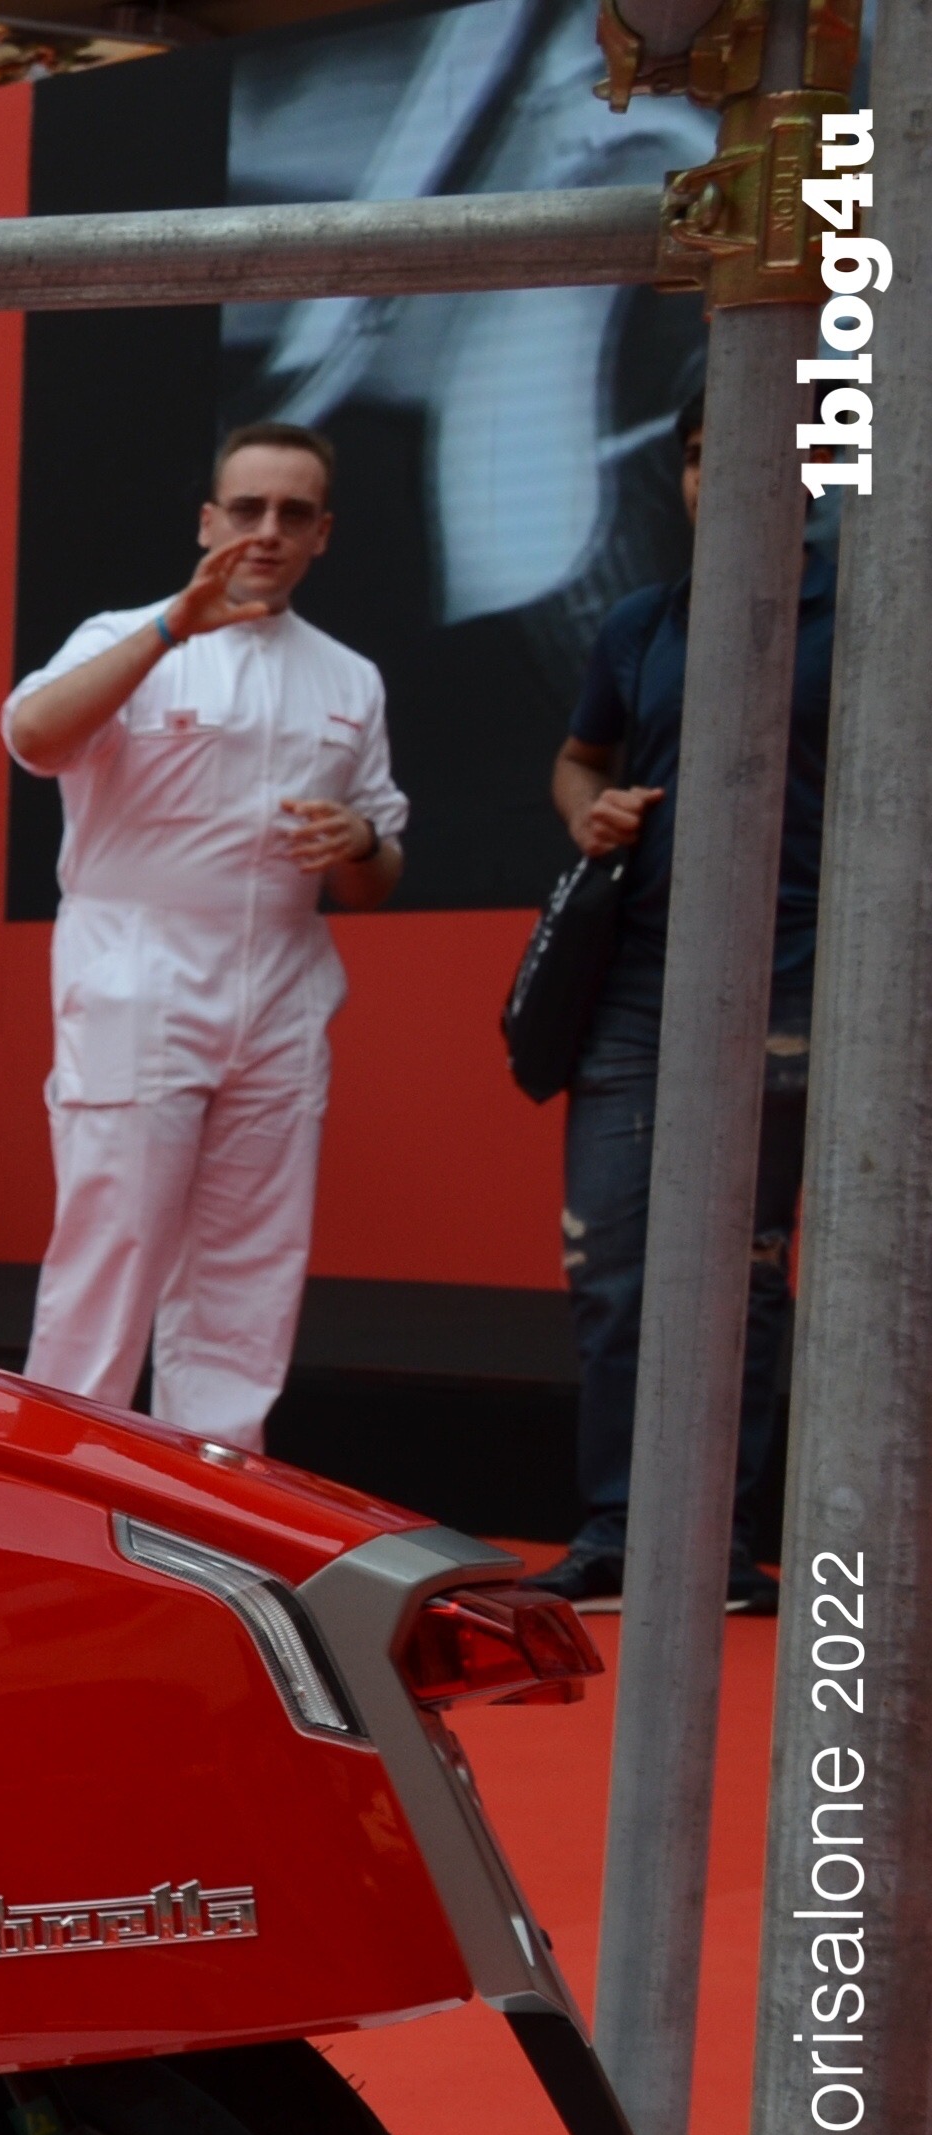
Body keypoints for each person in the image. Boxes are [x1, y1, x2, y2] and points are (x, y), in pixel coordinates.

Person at [0, 420, 408, 1451]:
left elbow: (375, 874)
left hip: (282, 986)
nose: (266, 531)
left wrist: (359, 839)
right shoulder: (124, 637)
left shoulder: (348, 677)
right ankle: (61, 1477)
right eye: (247, 508)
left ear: (322, 534)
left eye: (291, 513)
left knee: (250, 1268)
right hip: (136, 977)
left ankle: (219, 1487)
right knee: (112, 1247)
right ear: (207, 521)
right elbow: (32, 737)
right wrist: (169, 629)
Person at [532, 394, 833, 1614]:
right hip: (634, 981)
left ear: (807, 475)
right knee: (609, 1264)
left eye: (746, 452)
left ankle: (713, 1547)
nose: (720, 477)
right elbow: (578, 761)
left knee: (739, 1267)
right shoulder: (641, 619)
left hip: (789, 974)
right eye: (702, 458)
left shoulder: (861, 615)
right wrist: (588, 812)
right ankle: (614, 1533)